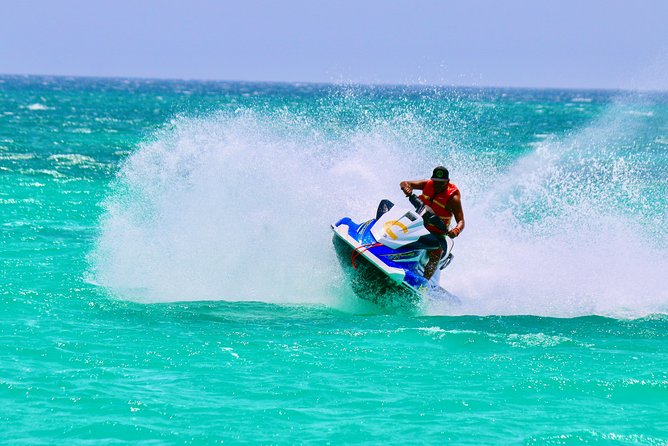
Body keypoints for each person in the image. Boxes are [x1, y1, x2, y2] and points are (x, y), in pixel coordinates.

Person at [400, 166, 465, 280]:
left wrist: (456, 230)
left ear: (447, 182)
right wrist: (406, 188)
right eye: (436, 182)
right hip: (418, 224)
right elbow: (404, 183)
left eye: (441, 183)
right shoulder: (427, 184)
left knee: (436, 251)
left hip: (437, 232)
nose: (438, 185)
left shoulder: (453, 198)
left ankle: (424, 283)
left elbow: (461, 221)